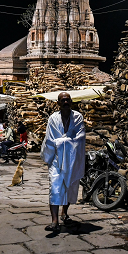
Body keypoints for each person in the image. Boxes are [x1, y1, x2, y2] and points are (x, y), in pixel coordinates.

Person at [40, 92, 85, 231]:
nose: (65, 102)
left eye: (67, 100)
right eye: (63, 100)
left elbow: (80, 137)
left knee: (70, 186)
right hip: (57, 159)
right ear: (58, 103)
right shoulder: (53, 119)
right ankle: (54, 221)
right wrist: (64, 142)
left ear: (71, 102)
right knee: (55, 188)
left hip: (72, 159)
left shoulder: (78, 117)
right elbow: (50, 139)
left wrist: (62, 141)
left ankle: (64, 213)